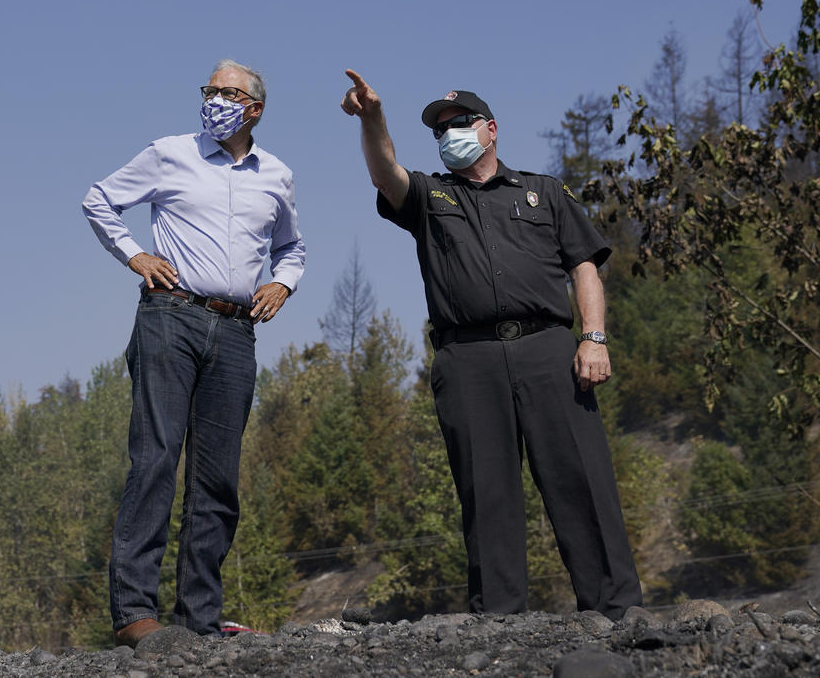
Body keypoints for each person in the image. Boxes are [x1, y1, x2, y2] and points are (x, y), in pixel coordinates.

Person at [340, 69, 641, 620]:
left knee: (580, 479)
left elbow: (585, 268)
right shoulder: (431, 196)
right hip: (468, 358)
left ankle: (614, 609)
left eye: (460, 123)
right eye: (440, 129)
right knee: (487, 491)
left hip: (550, 348)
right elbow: (386, 174)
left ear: (491, 129)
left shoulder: (544, 191)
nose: (448, 133)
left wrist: (593, 338)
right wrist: (373, 119)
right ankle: (498, 621)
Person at [82, 59, 305, 645]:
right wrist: (135, 254)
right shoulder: (170, 153)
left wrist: (283, 281)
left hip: (235, 331)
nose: (215, 99)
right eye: (210, 90)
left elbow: (293, 248)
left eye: (228, 92)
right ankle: (135, 614)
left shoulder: (276, 174)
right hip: (170, 316)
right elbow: (99, 200)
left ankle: (200, 619)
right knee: (155, 458)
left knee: (218, 479)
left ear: (255, 108)